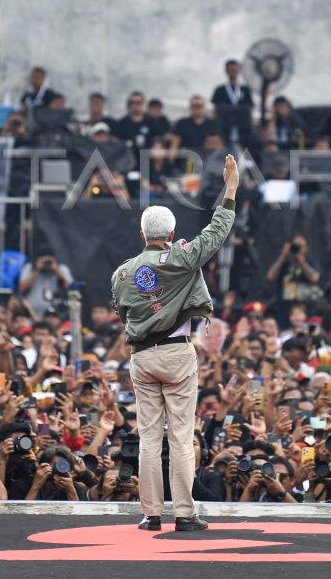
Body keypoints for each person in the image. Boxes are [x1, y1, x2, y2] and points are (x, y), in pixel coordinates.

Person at [111, 153, 239, 531]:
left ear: (142, 237)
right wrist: (229, 190)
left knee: (149, 437)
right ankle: (184, 513)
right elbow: (215, 234)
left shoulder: (121, 273)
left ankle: (151, 515)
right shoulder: (180, 257)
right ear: (170, 235)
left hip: (142, 357)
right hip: (176, 353)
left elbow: (124, 314)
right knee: (181, 437)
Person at [210, 60, 254, 146]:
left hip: (242, 130)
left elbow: (250, 111)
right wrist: (215, 128)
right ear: (226, 71)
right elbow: (215, 111)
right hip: (224, 129)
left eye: (235, 70)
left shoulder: (245, 90)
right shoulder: (220, 90)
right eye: (231, 70)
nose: (233, 72)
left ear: (238, 71)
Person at [171, 95, 221, 164]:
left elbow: (219, 146)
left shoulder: (213, 124)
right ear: (190, 108)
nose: (197, 109)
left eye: (199, 106)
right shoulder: (182, 123)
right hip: (187, 161)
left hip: (208, 160)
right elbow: (174, 145)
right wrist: (171, 162)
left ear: (204, 107)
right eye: (194, 106)